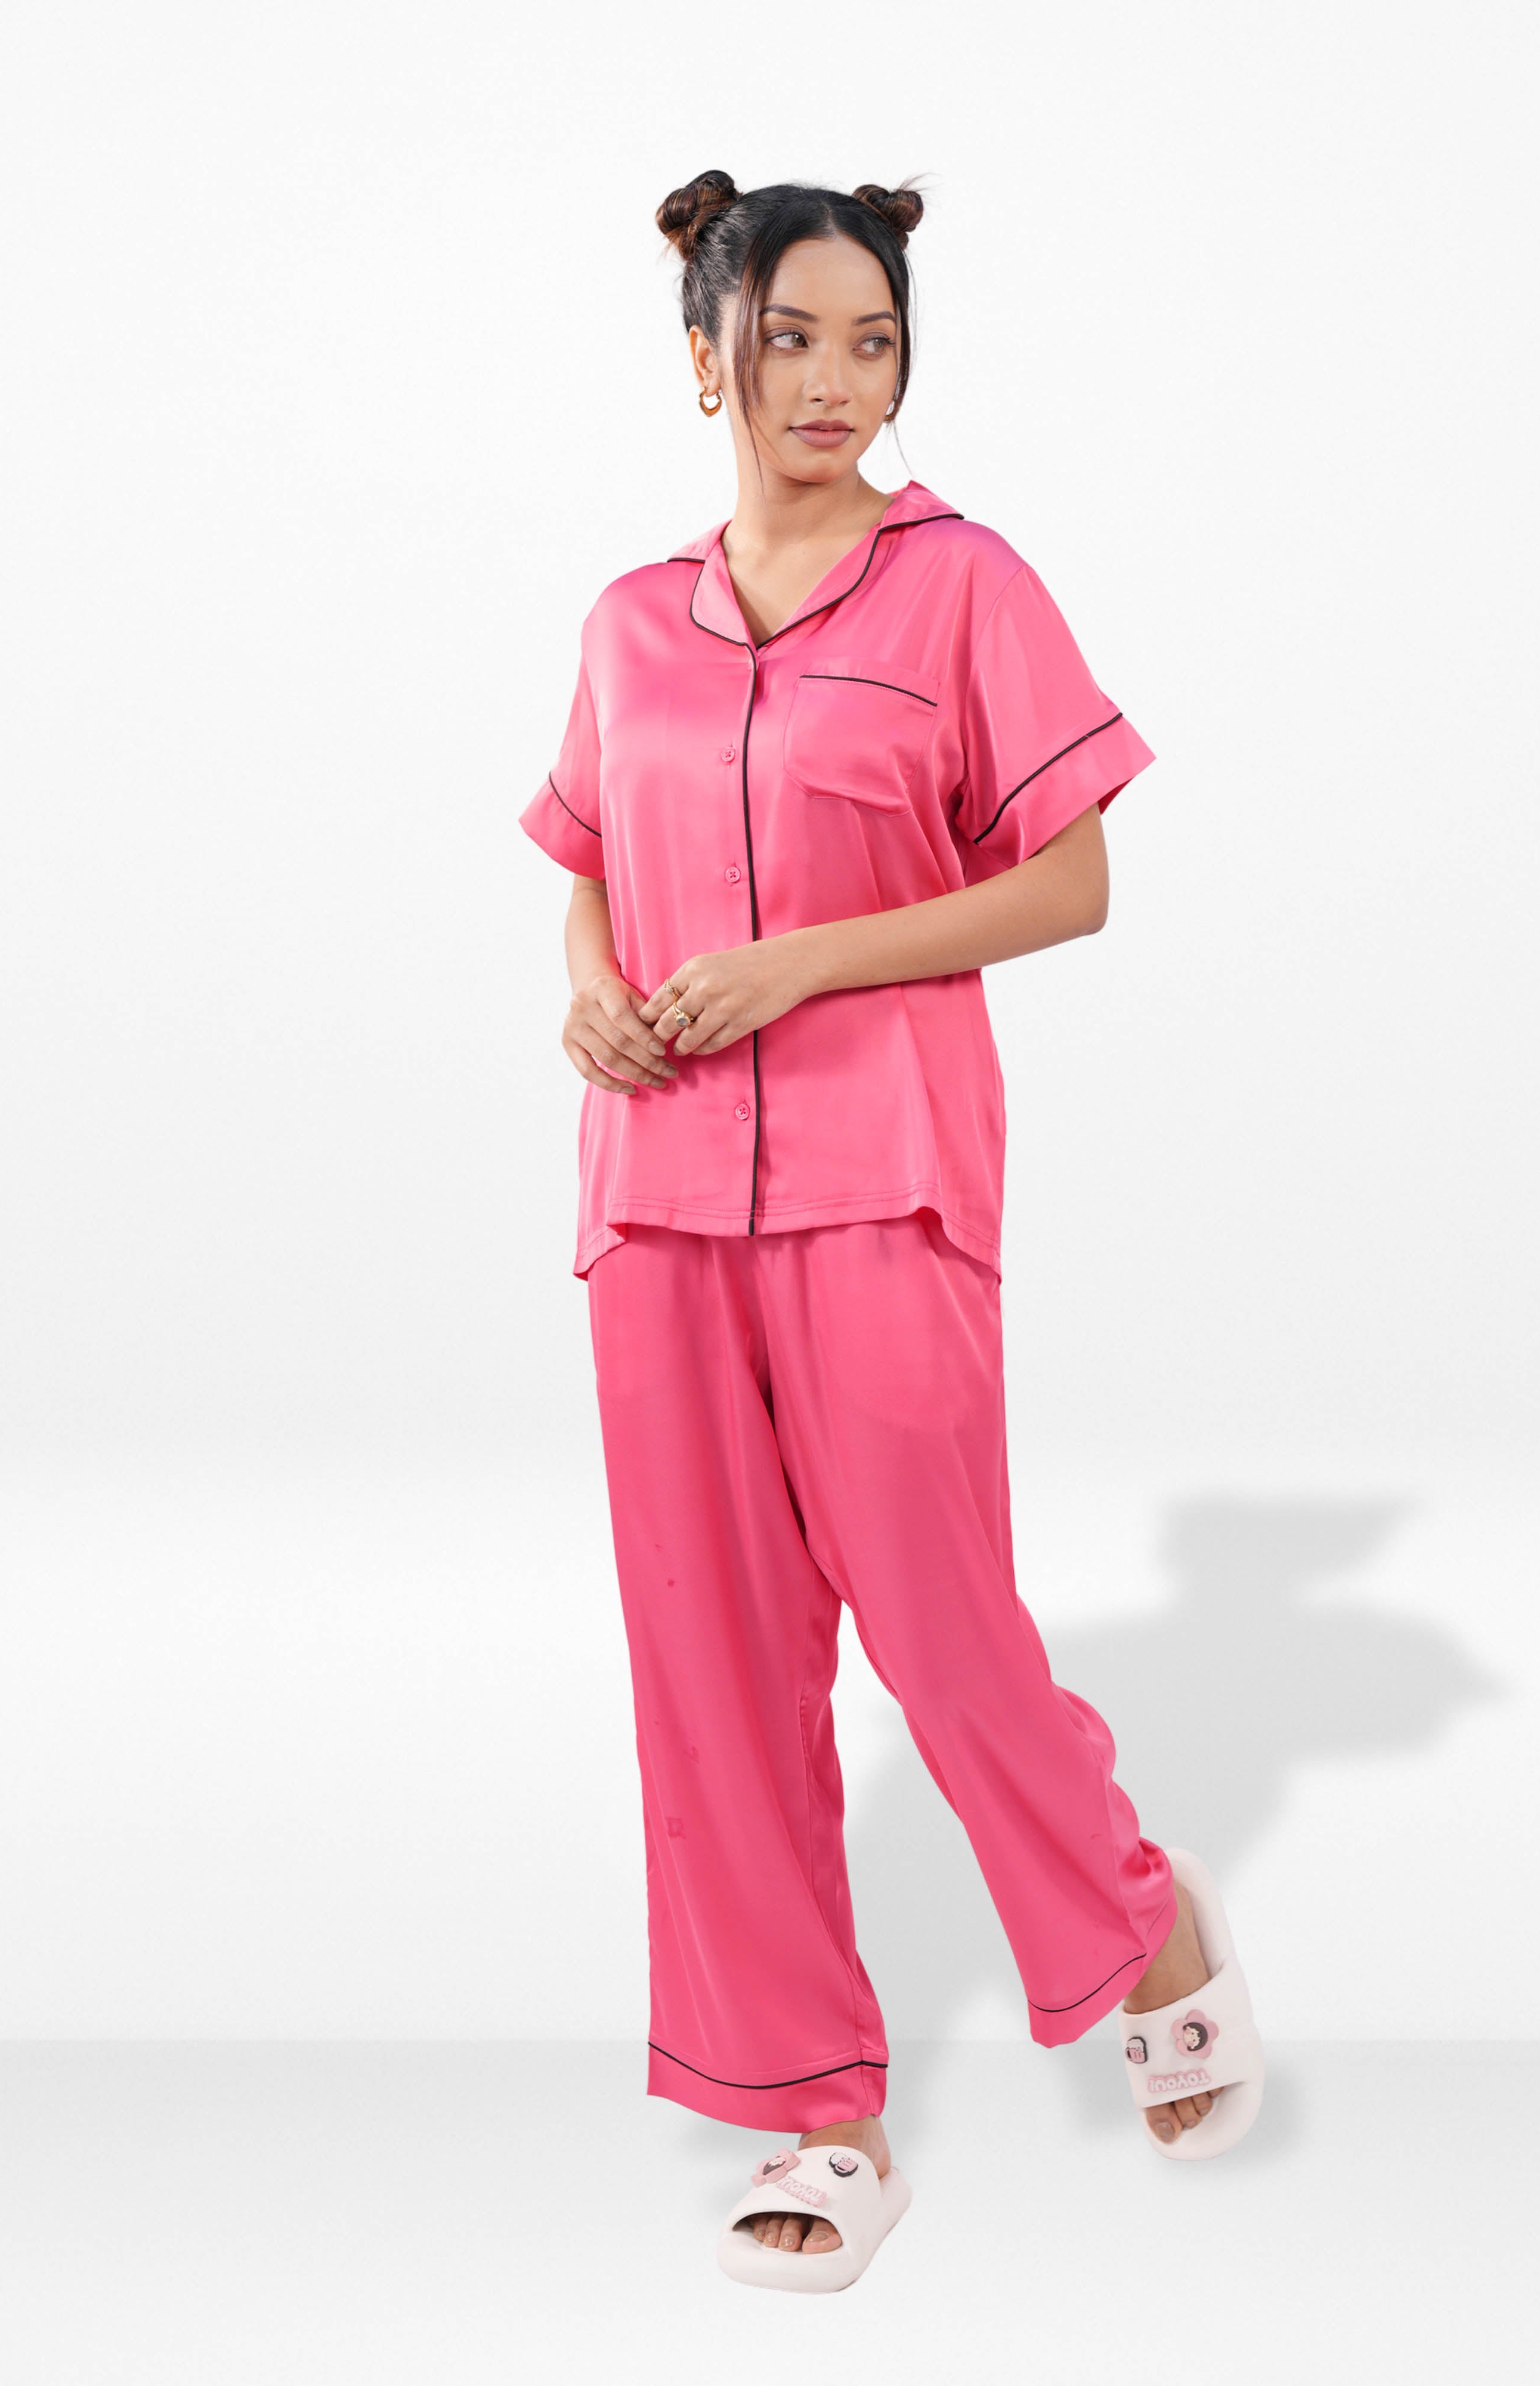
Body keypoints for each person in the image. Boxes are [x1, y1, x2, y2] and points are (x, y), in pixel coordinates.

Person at [519, 169, 1257, 2285]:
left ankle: (1138, 1923)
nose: (834, 381)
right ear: (706, 357)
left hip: (887, 1175)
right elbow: (592, 864)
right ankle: (812, 2115)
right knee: (713, 1660)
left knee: (938, 1625)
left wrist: (806, 962)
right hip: (658, 1193)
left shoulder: (965, 588)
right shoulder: (627, 621)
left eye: (872, 341)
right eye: (789, 339)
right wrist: (589, 986)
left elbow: (1070, 881)